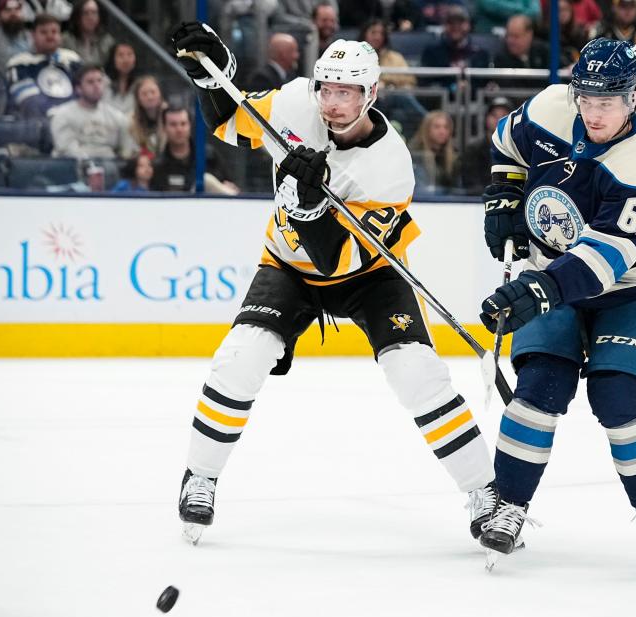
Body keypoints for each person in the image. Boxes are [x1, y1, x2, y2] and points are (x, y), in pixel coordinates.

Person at [168, 22, 497, 544]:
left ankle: (486, 493)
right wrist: (211, 73)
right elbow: (231, 118)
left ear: (371, 93)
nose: (332, 102)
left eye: (346, 92)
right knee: (242, 356)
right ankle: (200, 477)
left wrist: (308, 204)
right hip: (287, 265)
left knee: (416, 372)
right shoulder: (299, 102)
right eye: (327, 88)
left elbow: (338, 261)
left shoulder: (390, 168)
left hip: (369, 272)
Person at [476, 38, 636, 573]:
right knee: (538, 388)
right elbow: (506, 146)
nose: (593, 111)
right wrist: (503, 195)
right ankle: (510, 505)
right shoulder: (548, 107)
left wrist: (537, 290)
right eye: (585, 97)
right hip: (550, 271)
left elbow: (605, 257)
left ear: (634, 98)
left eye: (607, 100)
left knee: (619, 398)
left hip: (628, 287)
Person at [49, 64, 135, 159]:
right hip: (73, 167)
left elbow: (126, 151)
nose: (97, 86)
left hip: (110, 168)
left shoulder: (117, 117)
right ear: (78, 89)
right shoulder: (62, 115)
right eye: (90, 82)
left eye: (99, 81)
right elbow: (67, 150)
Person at [6, 13, 82, 120]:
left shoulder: (72, 59)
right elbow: (27, 98)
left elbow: (83, 90)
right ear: (33, 35)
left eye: (54, 32)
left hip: (74, 118)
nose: (50, 36)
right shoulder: (19, 62)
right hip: (38, 123)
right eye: (44, 32)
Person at [149, 104, 236, 193]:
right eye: (173, 124)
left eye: (183, 124)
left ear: (190, 125)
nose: (179, 129)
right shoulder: (158, 166)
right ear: (164, 128)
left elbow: (231, 187)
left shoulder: (209, 156)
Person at [459, 96, 512, 194]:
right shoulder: (473, 150)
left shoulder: (520, 150)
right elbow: (470, 183)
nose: (499, 119)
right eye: (494, 115)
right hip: (478, 203)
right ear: (486, 119)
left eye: (504, 115)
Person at [596, 0, 636, 71]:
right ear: (614, 8)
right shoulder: (603, 32)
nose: (628, 11)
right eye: (623, 6)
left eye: (632, 7)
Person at [493, 14, 549, 89]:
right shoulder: (501, 57)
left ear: (529, 35)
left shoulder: (544, 51)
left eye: (516, 36)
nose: (510, 41)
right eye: (509, 36)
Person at [409, 110, 458, 193]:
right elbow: (422, 189)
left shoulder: (454, 156)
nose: (442, 131)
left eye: (446, 127)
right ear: (427, 129)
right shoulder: (414, 154)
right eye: (437, 127)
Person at [62, 0, 114, 67]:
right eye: (86, 13)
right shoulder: (65, 40)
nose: (90, 17)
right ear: (77, 16)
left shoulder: (107, 41)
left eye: (94, 13)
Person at [128, 74, 166, 155]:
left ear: (160, 94)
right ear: (138, 98)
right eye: (144, 94)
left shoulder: (170, 117)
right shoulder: (130, 121)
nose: (150, 97)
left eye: (153, 92)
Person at [102, 41, 138, 114]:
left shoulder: (140, 84)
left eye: (130, 54)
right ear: (113, 59)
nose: (126, 60)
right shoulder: (102, 81)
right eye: (120, 55)